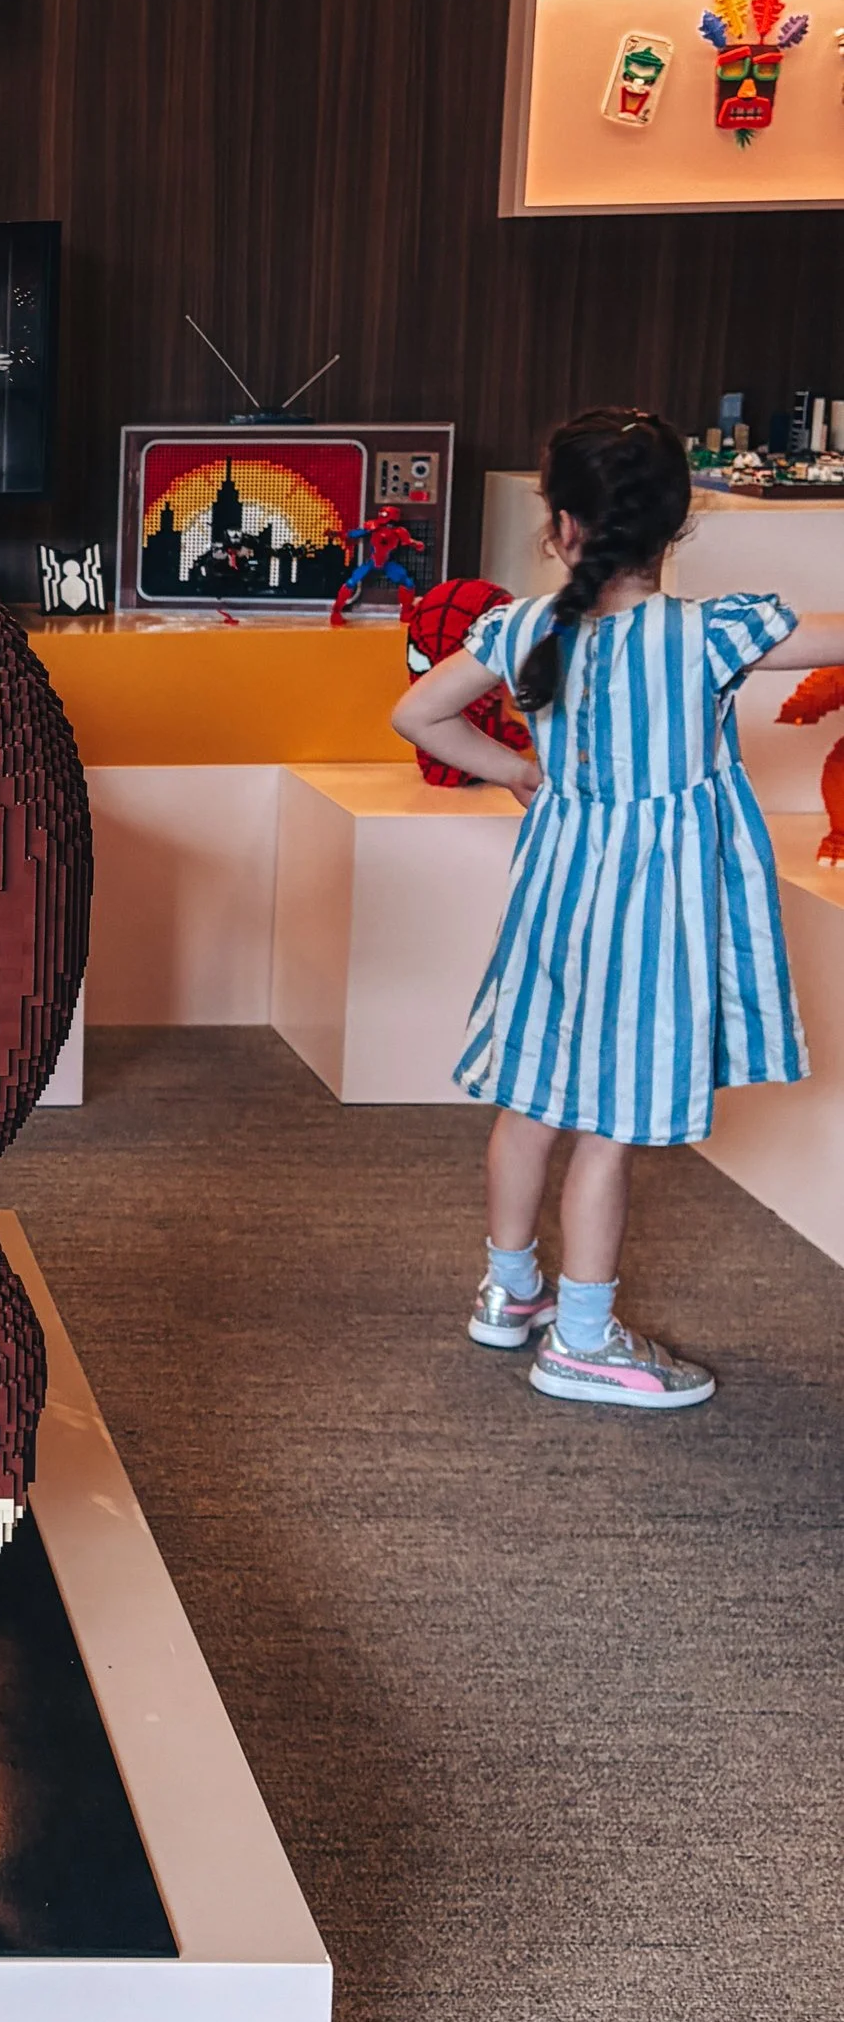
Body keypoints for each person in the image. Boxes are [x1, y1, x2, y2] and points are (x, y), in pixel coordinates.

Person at [394, 406, 844, 1410]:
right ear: (675, 524)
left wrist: (518, 767)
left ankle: (510, 1294)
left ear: (559, 526)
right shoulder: (709, 632)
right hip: (654, 922)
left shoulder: (521, 627)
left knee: (533, 1102)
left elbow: (415, 712)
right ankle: (584, 1341)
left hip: (558, 901)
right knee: (607, 1124)